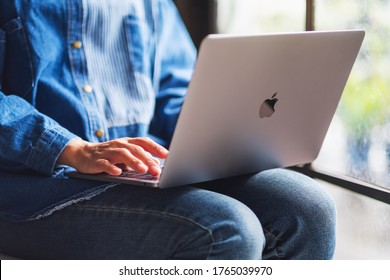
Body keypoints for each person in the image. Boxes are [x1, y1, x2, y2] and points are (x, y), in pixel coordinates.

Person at [0, 0, 336, 260]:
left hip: (139, 167)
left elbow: (174, 88)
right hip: (35, 183)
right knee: (225, 230)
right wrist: (70, 148)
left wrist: (220, 131)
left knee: (308, 209)